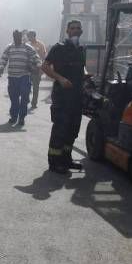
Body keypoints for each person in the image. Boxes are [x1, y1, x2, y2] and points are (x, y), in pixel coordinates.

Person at [42, 20, 86, 174]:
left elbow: (82, 68)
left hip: (76, 96)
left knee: (73, 129)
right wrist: (60, 79)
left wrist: (86, 77)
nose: (75, 30)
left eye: (78, 28)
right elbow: (45, 66)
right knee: (60, 128)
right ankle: (54, 162)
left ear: (81, 31)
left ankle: (66, 159)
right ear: (67, 31)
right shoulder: (58, 48)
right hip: (62, 96)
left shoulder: (81, 49)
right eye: (72, 28)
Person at [0, 30, 41, 126]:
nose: (17, 39)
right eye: (15, 37)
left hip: (24, 76)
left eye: (18, 37)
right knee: (14, 98)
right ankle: (14, 117)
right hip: (12, 77)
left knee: (25, 97)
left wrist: (38, 66)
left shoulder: (27, 47)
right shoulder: (9, 47)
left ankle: (21, 118)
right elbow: (4, 58)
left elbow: (36, 57)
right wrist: (1, 67)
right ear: (13, 37)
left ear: (21, 37)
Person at [26, 30, 47, 109]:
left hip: (37, 68)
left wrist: (41, 70)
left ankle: (34, 103)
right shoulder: (26, 45)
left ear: (34, 36)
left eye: (31, 36)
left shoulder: (41, 45)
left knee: (35, 87)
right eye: (28, 36)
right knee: (26, 86)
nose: (29, 38)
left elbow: (43, 57)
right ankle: (26, 100)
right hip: (28, 69)